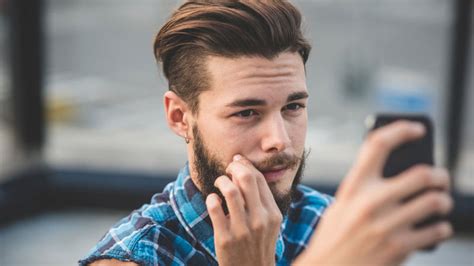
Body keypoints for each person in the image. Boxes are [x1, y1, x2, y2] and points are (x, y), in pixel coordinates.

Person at [79, 1, 453, 265]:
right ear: (180, 117)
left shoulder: (326, 222)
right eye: (246, 112)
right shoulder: (136, 258)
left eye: (293, 107)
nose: (280, 139)